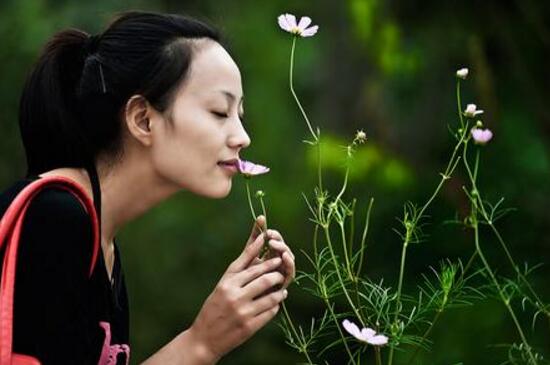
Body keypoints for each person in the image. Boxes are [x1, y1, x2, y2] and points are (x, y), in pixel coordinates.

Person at [0, 10, 295, 365]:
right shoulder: (53, 220)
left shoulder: (101, 245)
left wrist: (211, 337)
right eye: (219, 112)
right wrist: (201, 343)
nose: (242, 137)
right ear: (142, 119)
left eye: (240, 116)